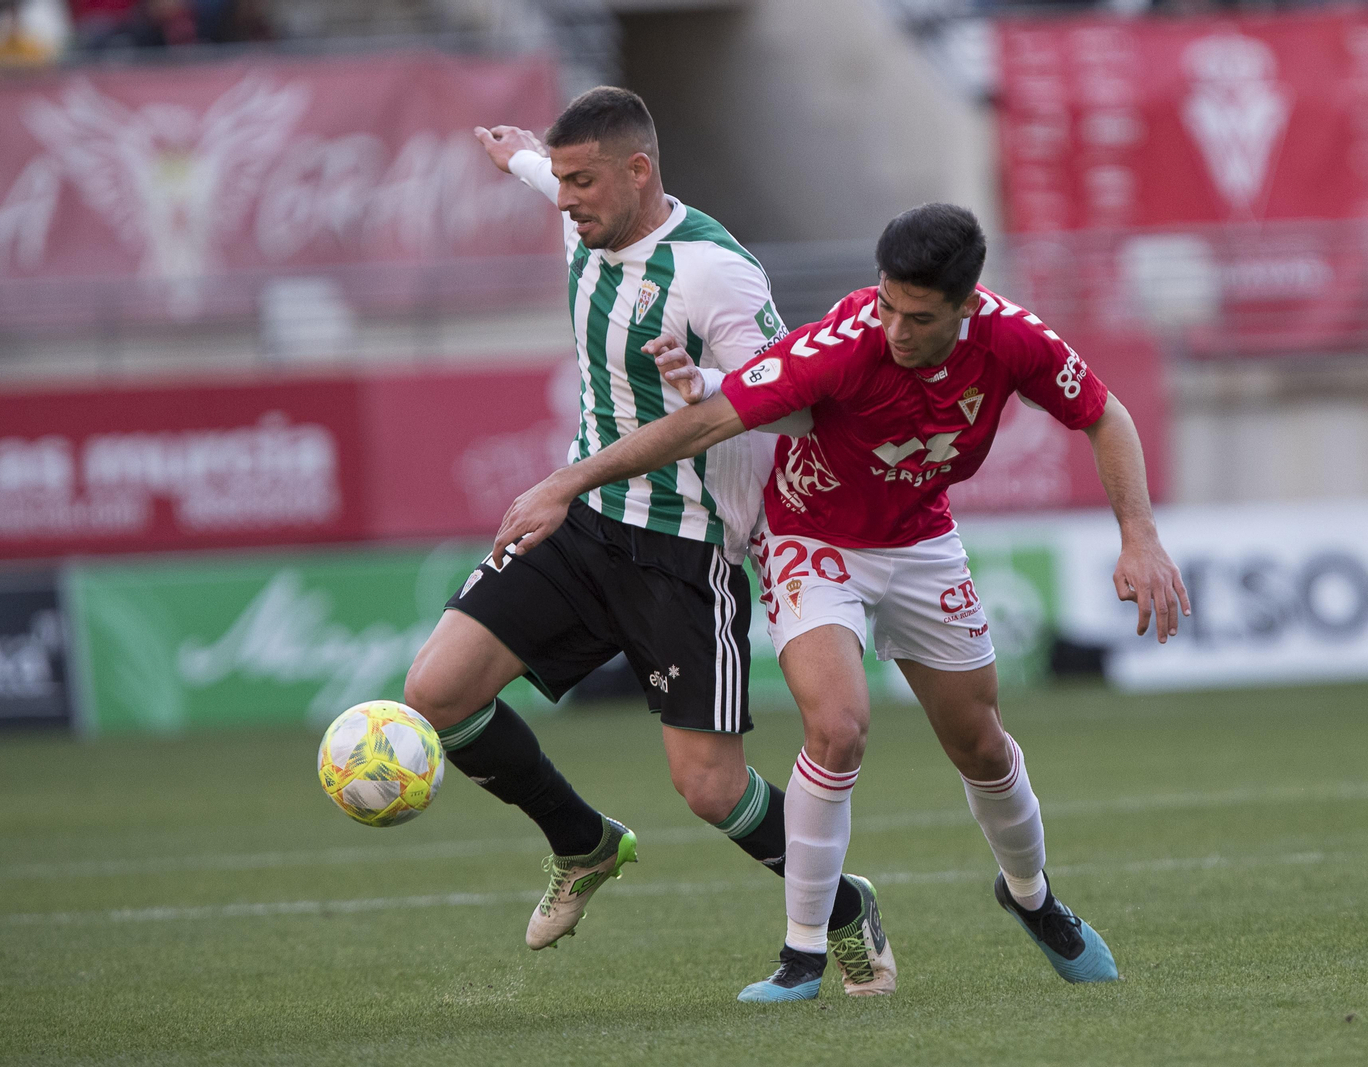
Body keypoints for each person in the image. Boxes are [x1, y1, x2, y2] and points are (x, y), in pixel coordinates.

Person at [494, 203, 1189, 1001]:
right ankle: (802, 955)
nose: (894, 325)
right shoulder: (843, 342)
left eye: (918, 315)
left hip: (921, 542)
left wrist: (1139, 534)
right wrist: (566, 481)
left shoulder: (1014, 338)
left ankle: (1034, 899)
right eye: (887, 301)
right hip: (810, 538)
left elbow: (1104, 414)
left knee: (982, 745)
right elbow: (707, 423)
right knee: (839, 725)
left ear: (966, 306)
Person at [404, 87, 882, 977]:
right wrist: (515, 156)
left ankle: (845, 903)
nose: (566, 197)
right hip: (583, 525)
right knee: (435, 692)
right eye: (561, 181)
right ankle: (582, 843)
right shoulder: (580, 209)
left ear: (639, 171)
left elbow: (803, 409)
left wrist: (705, 380)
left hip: (685, 552)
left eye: (582, 181)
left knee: (709, 788)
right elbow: (544, 169)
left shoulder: (717, 274)